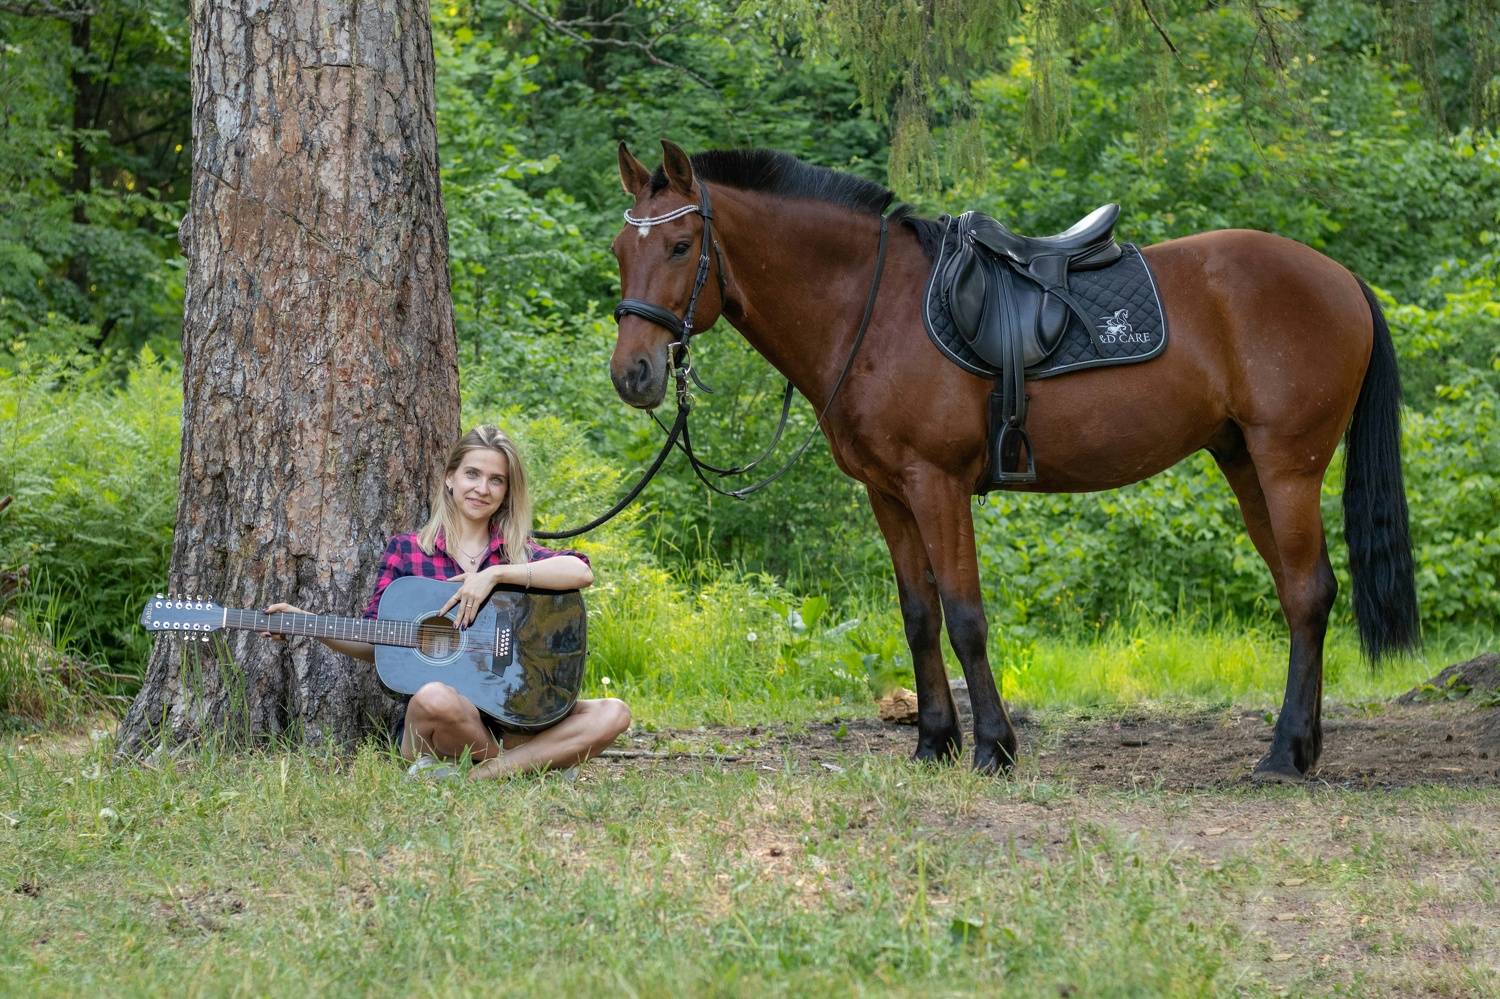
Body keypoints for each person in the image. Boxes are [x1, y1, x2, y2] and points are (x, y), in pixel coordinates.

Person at [265, 425, 630, 780]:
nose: (482, 489)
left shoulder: (515, 554)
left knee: (614, 713)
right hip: (444, 720)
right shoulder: (408, 550)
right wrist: (309, 623)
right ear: (450, 478)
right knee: (433, 697)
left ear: (506, 491)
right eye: (472, 474)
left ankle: (486, 772)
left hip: (514, 716)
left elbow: (579, 571)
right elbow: (376, 639)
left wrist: (494, 575)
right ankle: (536, 760)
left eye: (496, 480)